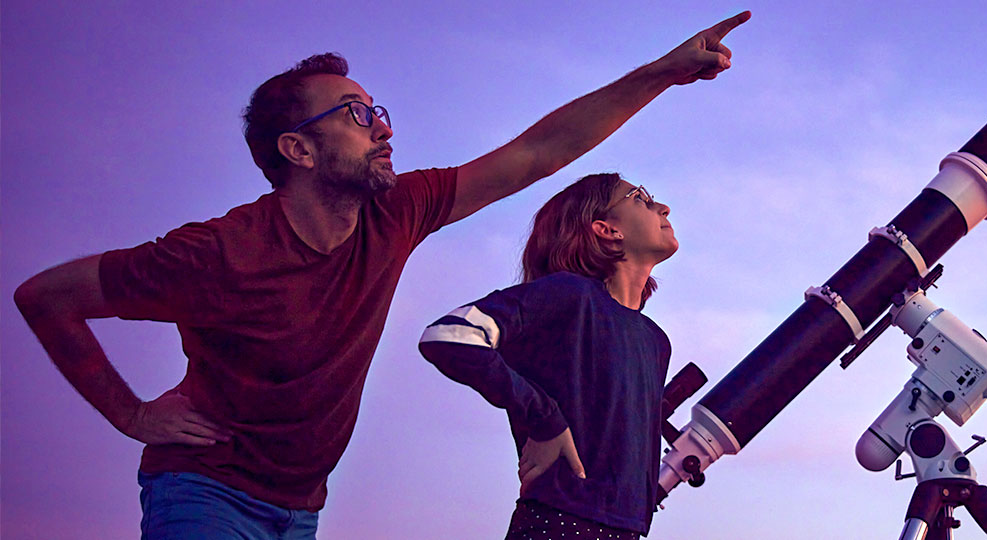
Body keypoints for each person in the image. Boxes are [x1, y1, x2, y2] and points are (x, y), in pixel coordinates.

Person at [11, 12, 749, 540]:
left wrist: (661, 74)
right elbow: (46, 297)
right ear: (298, 151)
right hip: (204, 493)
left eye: (379, 110)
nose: (384, 126)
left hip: (301, 508)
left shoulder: (396, 211)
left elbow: (538, 153)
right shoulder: (216, 253)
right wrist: (129, 414)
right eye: (358, 113)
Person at [419, 173, 677, 539]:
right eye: (640, 198)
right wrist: (544, 418)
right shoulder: (568, 295)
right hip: (555, 524)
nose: (662, 206)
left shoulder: (655, 341)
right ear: (606, 229)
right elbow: (450, 335)